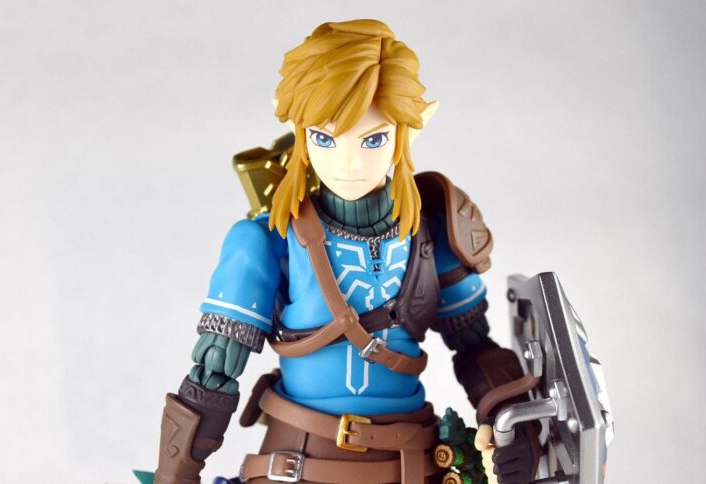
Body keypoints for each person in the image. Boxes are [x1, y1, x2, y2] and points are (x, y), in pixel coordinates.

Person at [153, 19, 541, 484]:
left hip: (413, 464)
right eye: (325, 138)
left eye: (373, 139)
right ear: (299, 131)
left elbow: (477, 348)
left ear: (408, 132)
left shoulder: (432, 233)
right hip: (298, 462)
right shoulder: (269, 238)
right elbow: (213, 372)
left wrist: (515, 424)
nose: (349, 162)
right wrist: (174, 476)